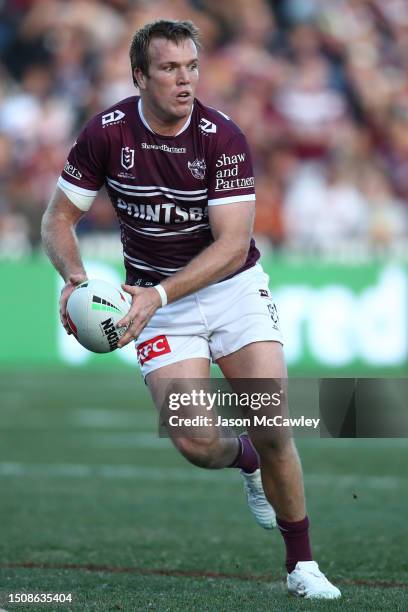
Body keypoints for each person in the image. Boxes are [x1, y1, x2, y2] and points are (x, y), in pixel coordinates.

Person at [41, 19, 340, 599]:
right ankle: (243, 459)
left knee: (273, 421)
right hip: (160, 305)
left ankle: (301, 564)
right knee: (196, 442)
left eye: (192, 67)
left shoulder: (221, 137)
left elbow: (231, 246)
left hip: (230, 290)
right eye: (170, 68)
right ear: (139, 76)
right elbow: (57, 218)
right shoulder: (107, 134)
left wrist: (156, 295)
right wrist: (75, 279)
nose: (185, 80)